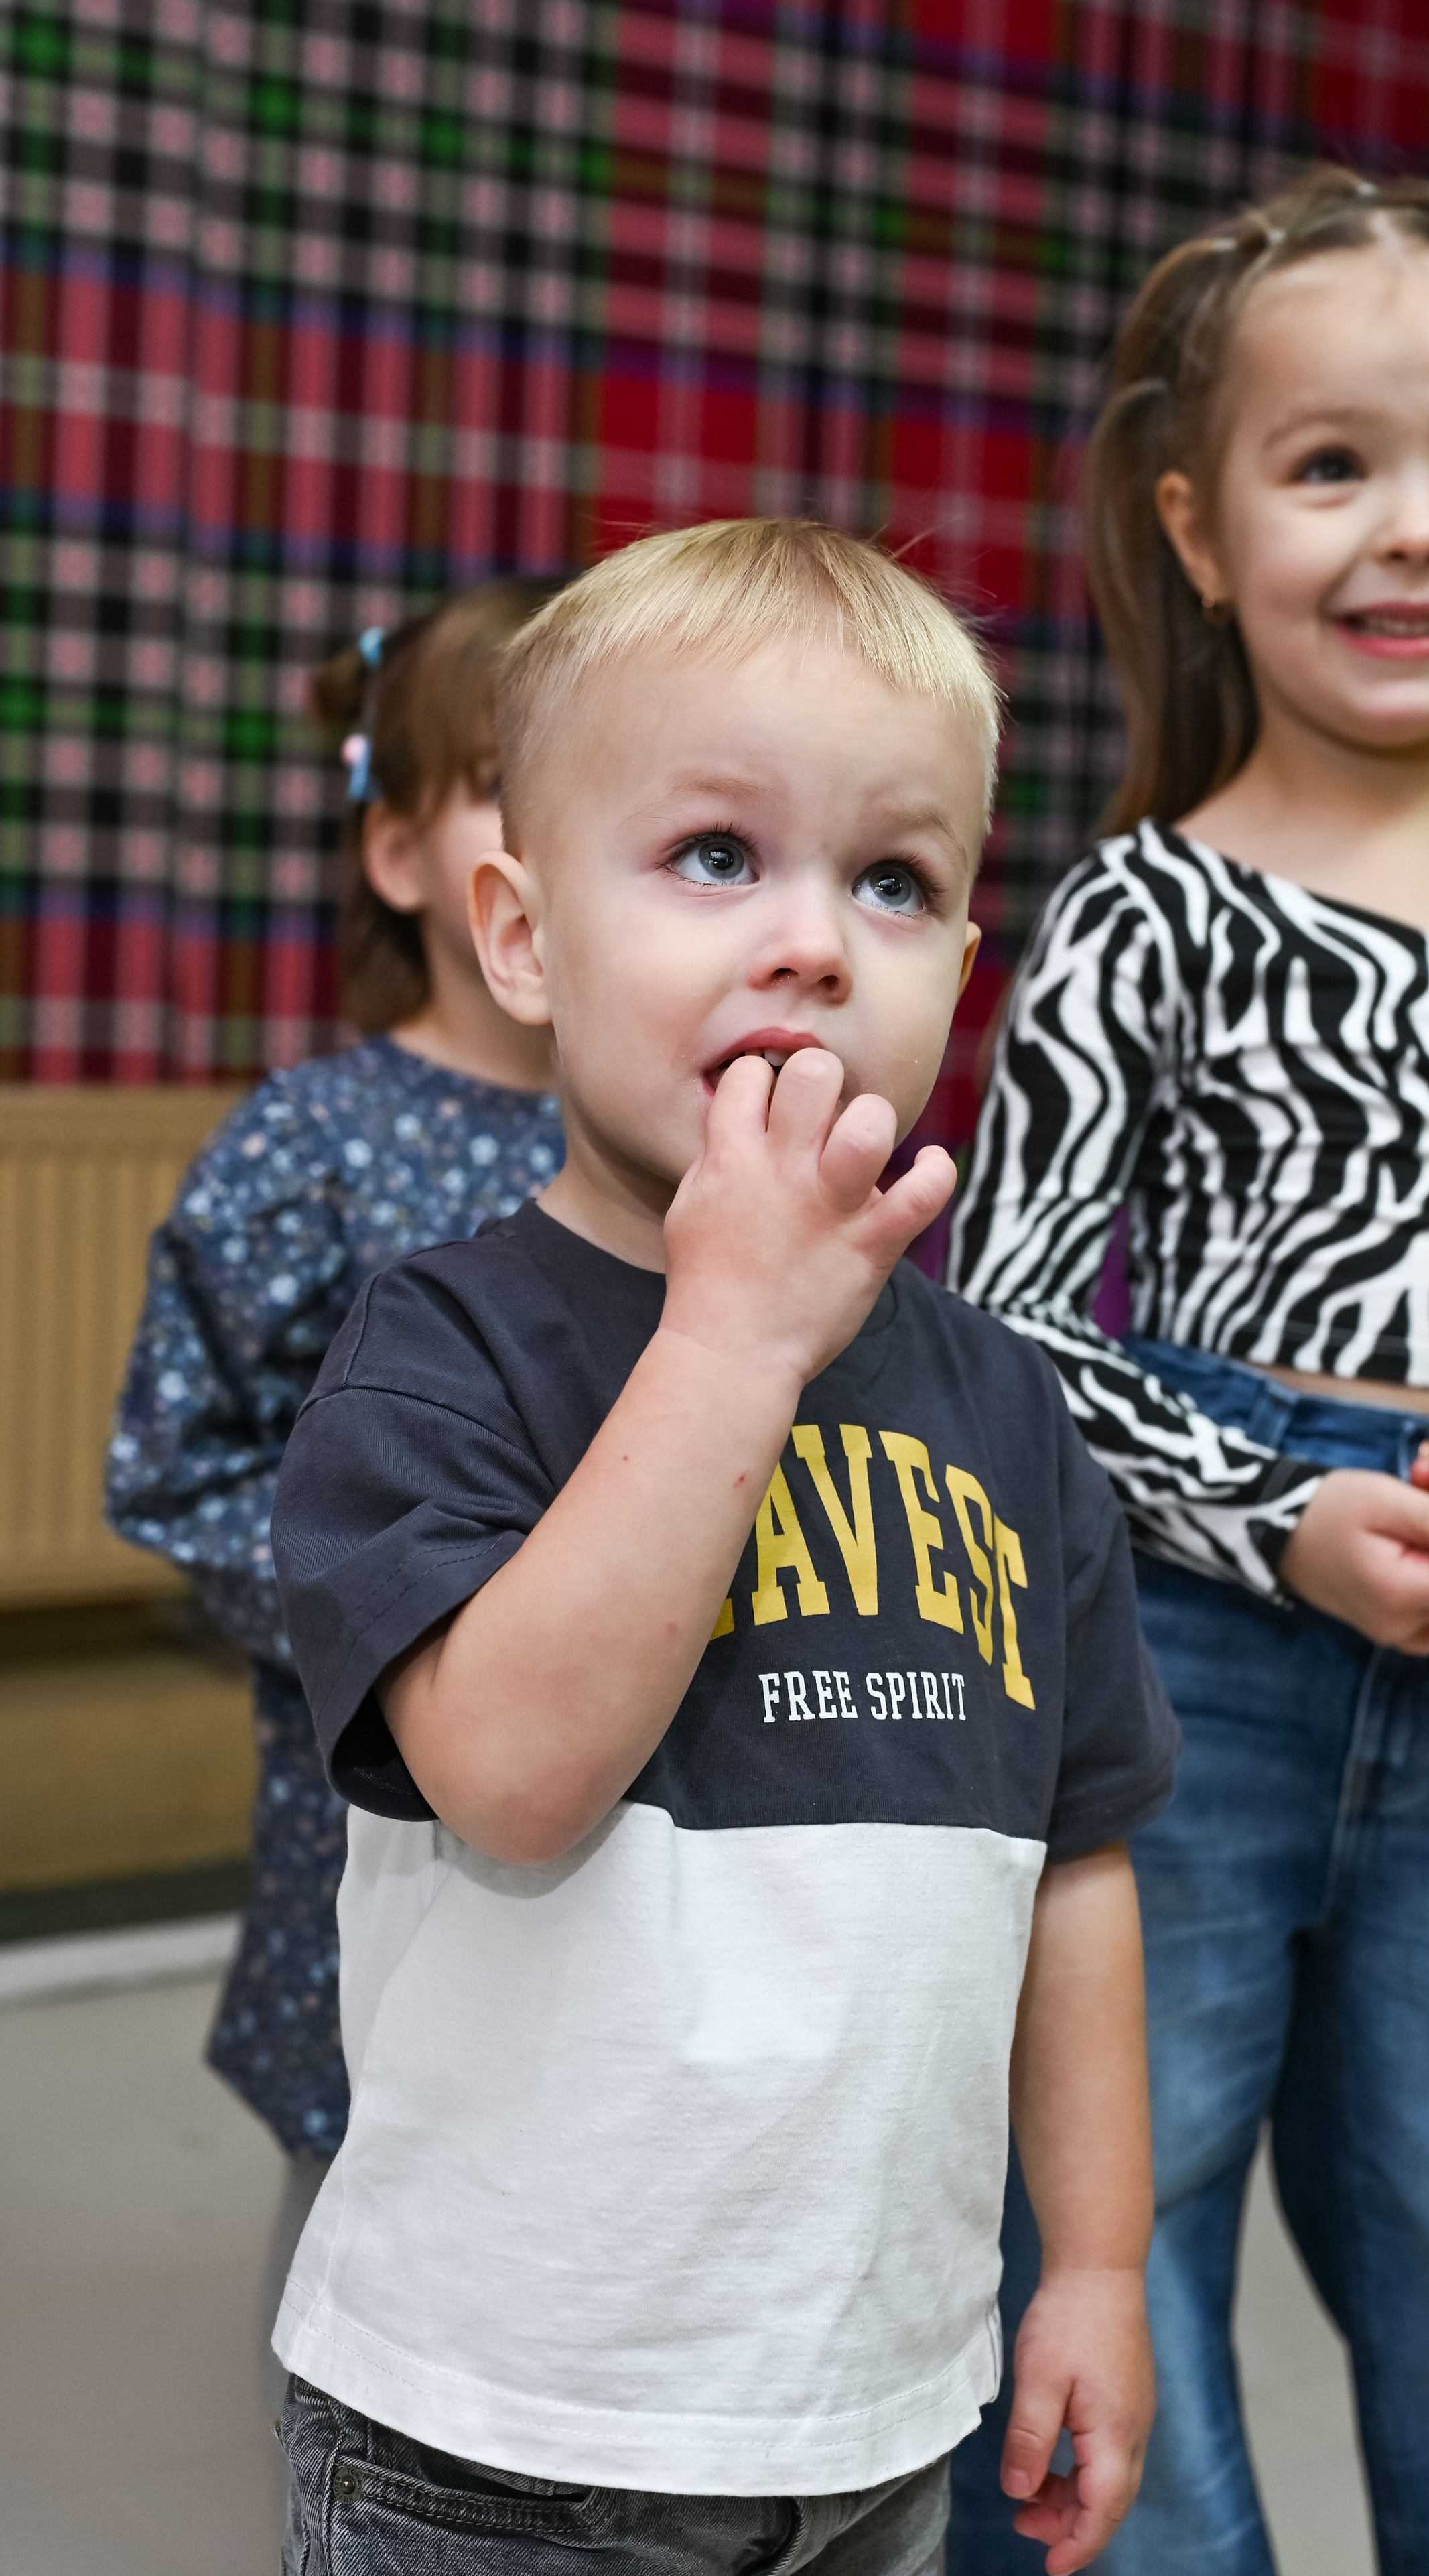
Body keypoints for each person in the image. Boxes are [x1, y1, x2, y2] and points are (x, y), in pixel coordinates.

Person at [265, 519, 1180, 2576]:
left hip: (872, 2411)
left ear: (962, 965)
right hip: (498, 2432)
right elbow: (509, 1773)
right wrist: (736, 1334)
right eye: (712, 856)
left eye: (894, 880)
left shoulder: (1011, 1413)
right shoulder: (439, 1349)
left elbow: (1081, 1862)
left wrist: (1100, 2267)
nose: (810, 943)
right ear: (517, 932)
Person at [947, 167, 1429, 2576]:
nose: (1416, 530)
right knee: (1097, 2295)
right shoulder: (1132, 912)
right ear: (1197, 525)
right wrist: (1272, 1507)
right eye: (1332, 466)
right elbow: (1007, 1343)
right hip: (1177, 1667)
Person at [103, 581, 565, 2447]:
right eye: (501, 789)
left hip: (657, 1801)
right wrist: (398, 1631)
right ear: (399, 848)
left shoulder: (711, 1131)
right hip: (379, 1800)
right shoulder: (311, 1142)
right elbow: (183, 1458)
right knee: (372, 2223)